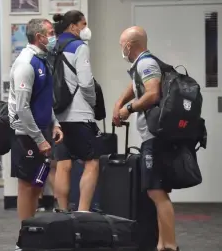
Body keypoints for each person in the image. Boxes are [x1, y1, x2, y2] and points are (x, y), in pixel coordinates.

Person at [113, 26, 179, 251]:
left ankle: (169, 245)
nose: (121, 48)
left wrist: (128, 109)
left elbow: (152, 93)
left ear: (130, 45)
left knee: (157, 193)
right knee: (156, 192)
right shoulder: (140, 65)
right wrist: (118, 104)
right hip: (152, 138)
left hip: (155, 139)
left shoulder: (145, 63)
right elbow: (136, 86)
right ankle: (162, 244)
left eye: (122, 44)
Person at [8, 18, 63, 251]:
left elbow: (43, 100)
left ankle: (32, 234)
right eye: (50, 33)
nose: (53, 37)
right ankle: (24, 240)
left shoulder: (44, 61)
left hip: (41, 130)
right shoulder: (26, 64)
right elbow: (22, 108)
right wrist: (39, 139)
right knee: (27, 187)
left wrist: (55, 124)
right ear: (39, 37)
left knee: (37, 185)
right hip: (26, 134)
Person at [52, 11, 101, 212]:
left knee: (63, 165)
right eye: (83, 24)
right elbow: (86, 82)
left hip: (58, 116)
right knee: (92, 163)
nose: (85, 28)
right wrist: (93, 102)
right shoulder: (79, 47)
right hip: (80, 115)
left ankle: (63, 212)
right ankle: (82, 212)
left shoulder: (51, 47)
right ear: (73, 26)